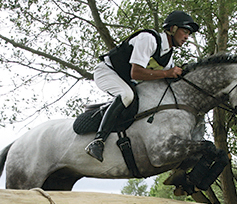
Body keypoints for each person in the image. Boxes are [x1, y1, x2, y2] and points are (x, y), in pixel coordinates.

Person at [85, 10, 199, 162]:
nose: (186, 37)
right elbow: (136, 73)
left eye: (188, 34)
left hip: (124, 78)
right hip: (107, 71)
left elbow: (166, 80)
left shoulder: (168, 57)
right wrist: (168, 73)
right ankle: (98, 141)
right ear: (172, 29)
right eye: (185, 32)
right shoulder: (148, 39)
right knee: (127, 95)